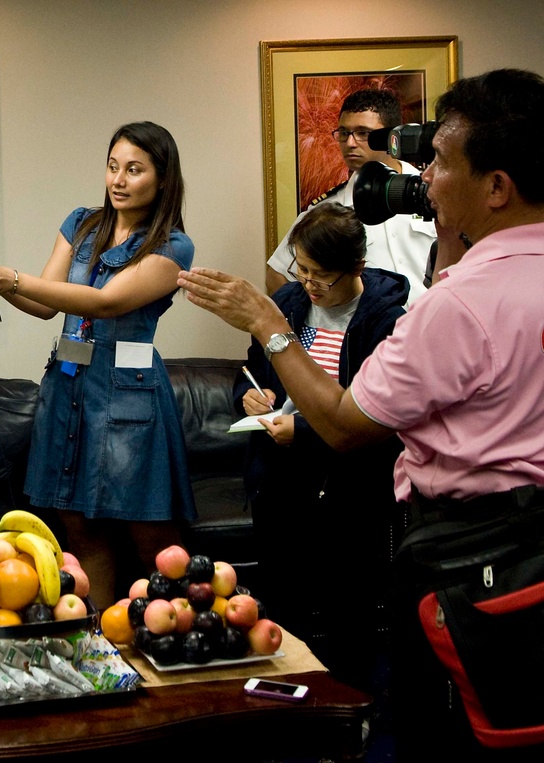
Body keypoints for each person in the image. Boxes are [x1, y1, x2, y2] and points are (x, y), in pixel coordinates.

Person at [178, 68, 544, 760]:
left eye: (441, 162)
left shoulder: (458, 304)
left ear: (495, 187)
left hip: (469, 565)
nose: (425, 178)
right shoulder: (473, 282)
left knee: (443, 735)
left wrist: (266, 321)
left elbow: (345, 423)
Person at [0, 121, 196, 608]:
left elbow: (105, 302)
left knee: (152, 535)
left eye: (134, 170)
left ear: (161, 178)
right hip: (69, 387)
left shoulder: (172, 247)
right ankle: (100, 645)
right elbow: (46, 305)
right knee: (79, 530)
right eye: (113, 166)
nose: (119, 180)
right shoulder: (82, 223)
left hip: (130, 395)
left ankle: (176, 641)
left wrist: (13, 278)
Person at [236, 202, 407, 693]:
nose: (308, 284)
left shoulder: (384, 321)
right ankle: (289, 702)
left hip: (349, 488)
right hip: (280, 480)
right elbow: (252, 368)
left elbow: (378, 417)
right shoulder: (288, 305)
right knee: (283, 607)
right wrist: (251, 396)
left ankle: (346, 708)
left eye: (320, 276)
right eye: (301, 269)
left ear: (356, 268)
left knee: (346, 611)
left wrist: (305, 433)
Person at [266, 89, 436, 306]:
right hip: (367, 335)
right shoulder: (329, 211)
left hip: (430, 328)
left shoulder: (430, 191)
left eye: (363, 133)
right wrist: (324, 319)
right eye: (344, 133)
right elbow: (276, 275)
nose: (350, 143)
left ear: (391, 136)